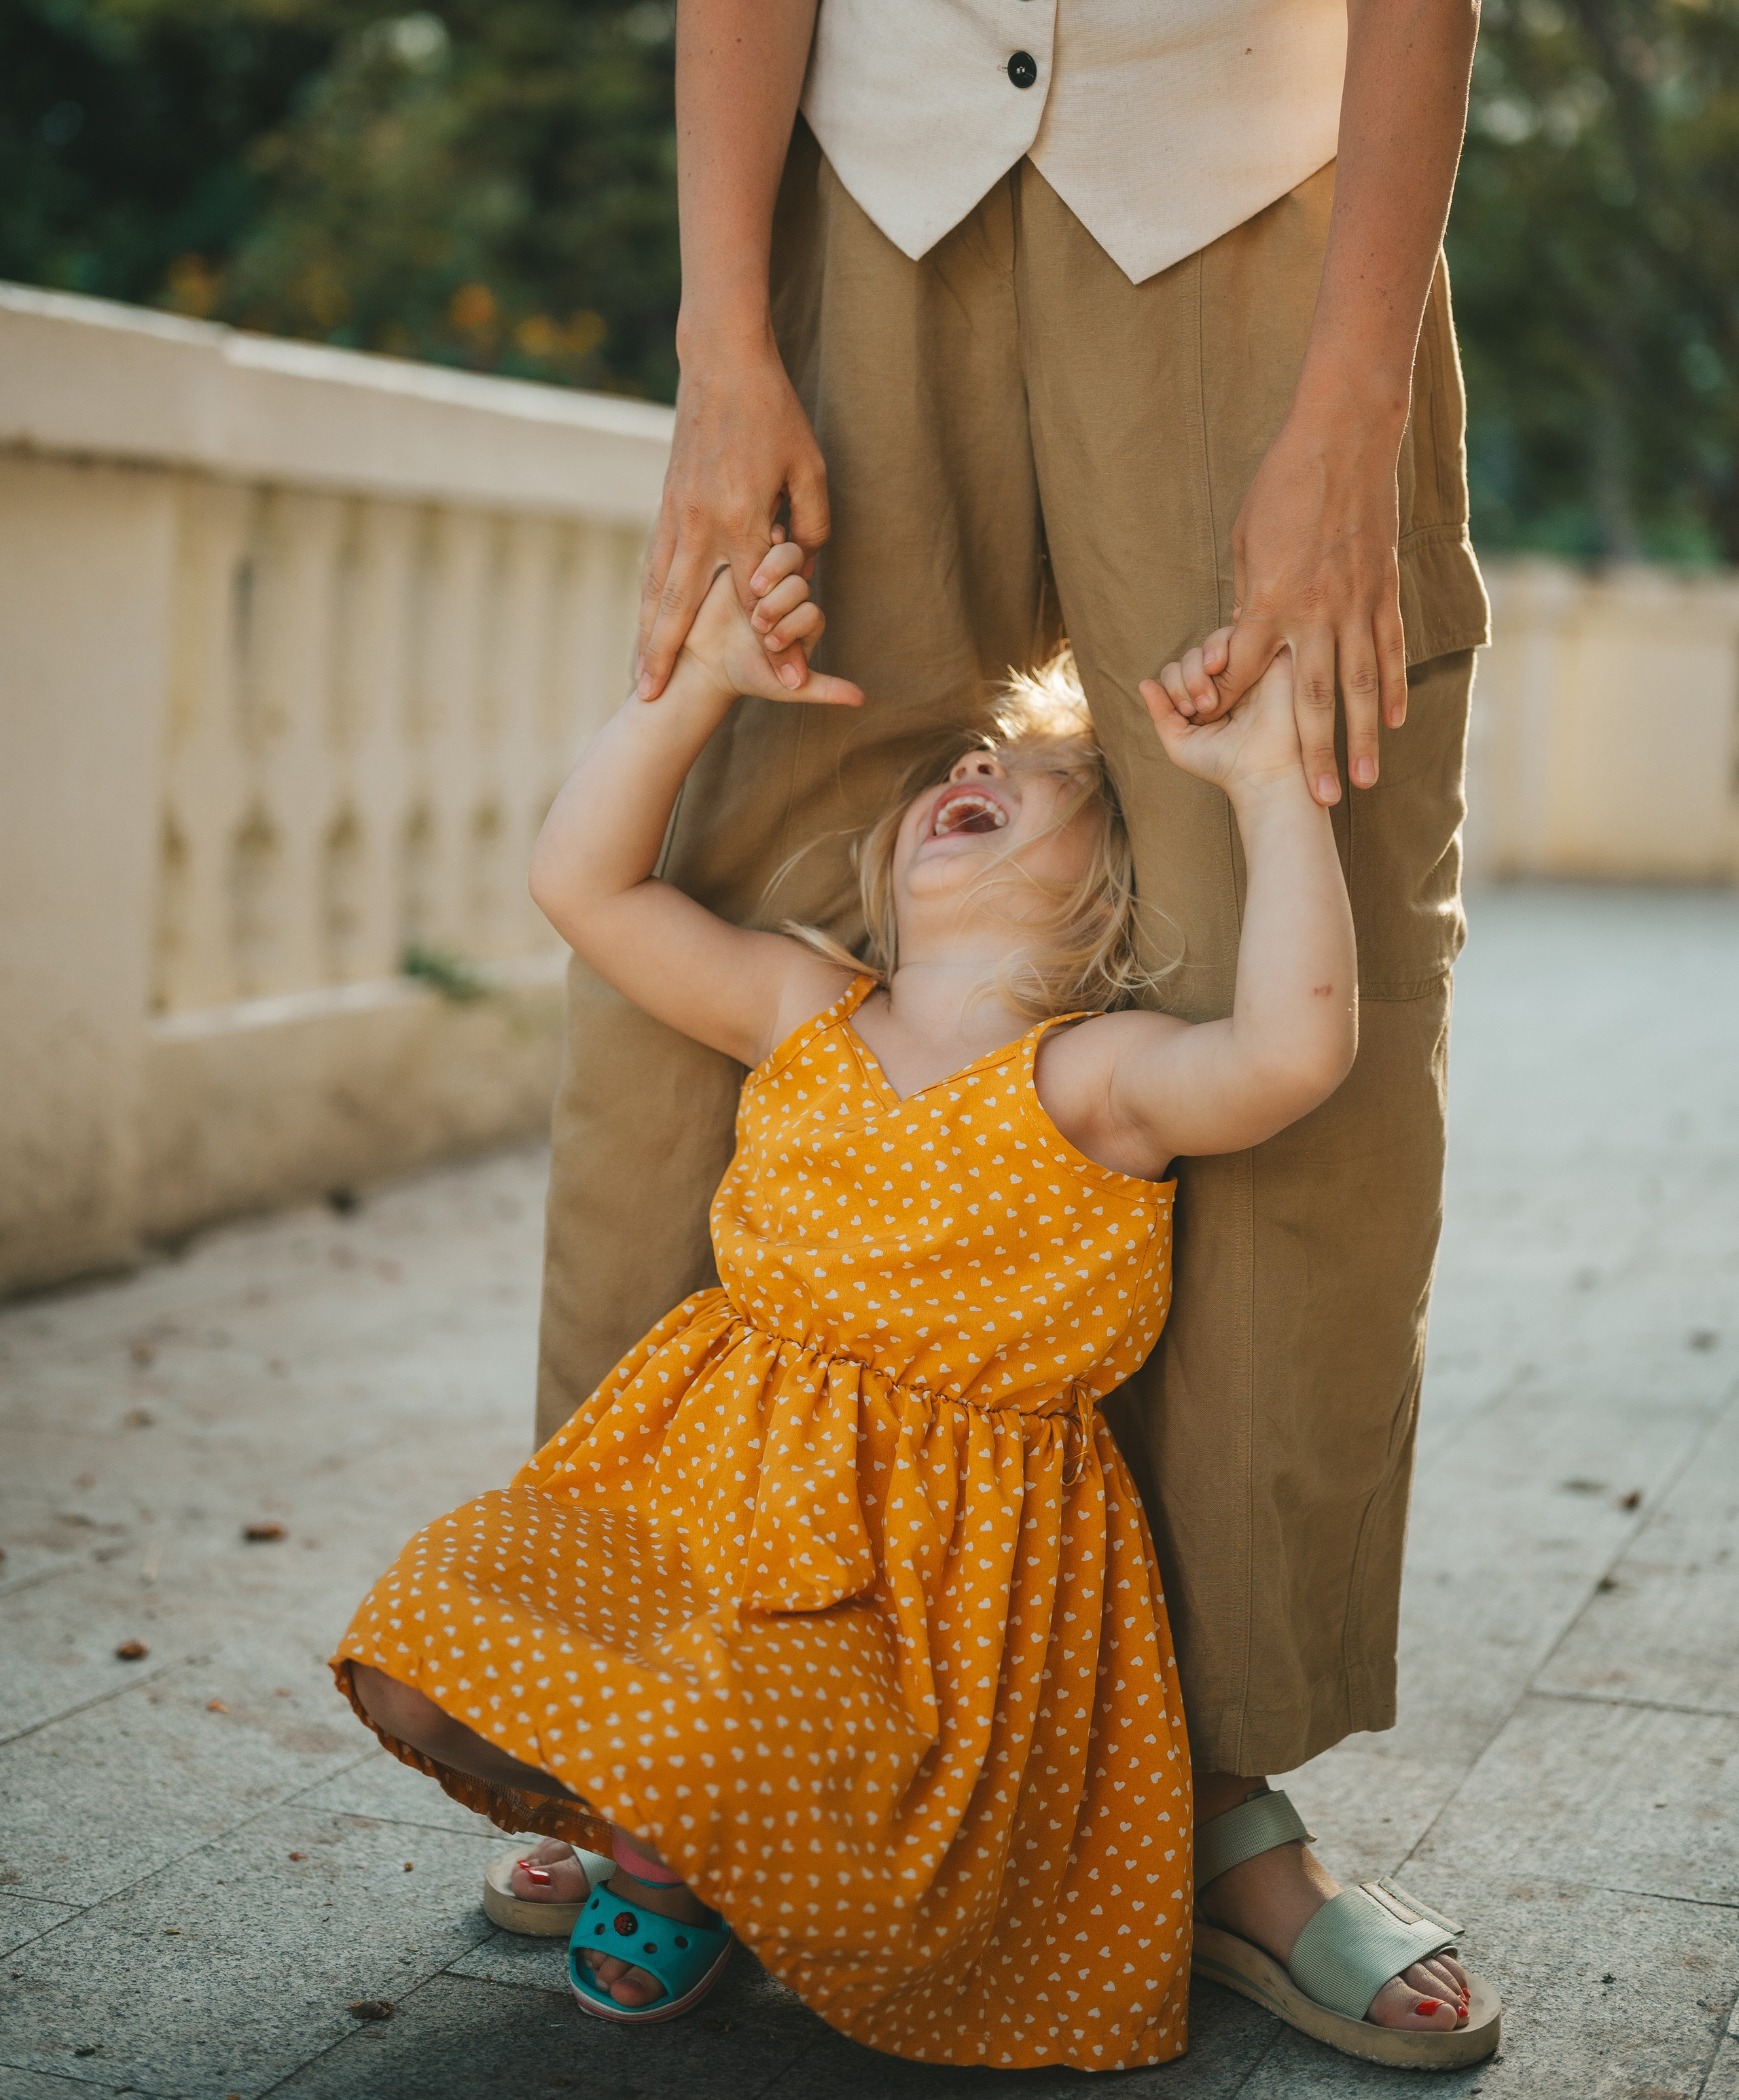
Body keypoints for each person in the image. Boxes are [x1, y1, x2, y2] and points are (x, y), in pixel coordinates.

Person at [533, 0, 1544, 2059]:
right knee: (731, 890)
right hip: (854, 203)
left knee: (1296, 950)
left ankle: (1205, 1792)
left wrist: (1346, 400)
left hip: (1260, 210)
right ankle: (661, 1695)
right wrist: (716, 341)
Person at [335, 548, 1493, 2067]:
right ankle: (662, 1816)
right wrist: (692, 692)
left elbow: (1289, 1052)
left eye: (1030, 774)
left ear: (1110, 879)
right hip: (708, 1489)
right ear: (888, 859)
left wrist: (1271, 789)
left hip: (930, 1572)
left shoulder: (1089, 1076)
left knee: (750, 1725)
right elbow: (582, 886)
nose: (977, 768)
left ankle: (673, 1852)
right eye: (963, 766)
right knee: (426, 1636)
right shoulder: (802, 1009)